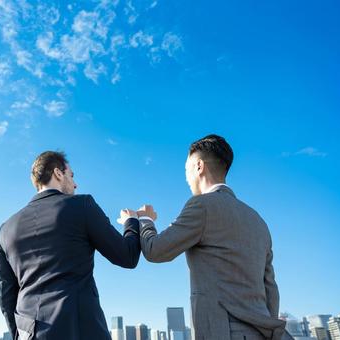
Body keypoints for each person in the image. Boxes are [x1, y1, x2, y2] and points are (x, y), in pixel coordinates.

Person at [122, 134, 285, 340]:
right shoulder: (258, 221)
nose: (186, 178)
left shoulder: (201, 206)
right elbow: (270, 288)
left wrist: (145, 220)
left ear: (199, 166)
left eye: (186, 170)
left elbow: (155, 250)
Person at [0, 151, 141, 340]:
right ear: (58, 173)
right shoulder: (82, 205)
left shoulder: (6, 228)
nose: (75, 184)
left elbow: (6, 295)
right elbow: (127, 256)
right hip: (79, 331)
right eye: (71, 175)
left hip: (29, 333)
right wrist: (131, 221)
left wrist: (20, 334)